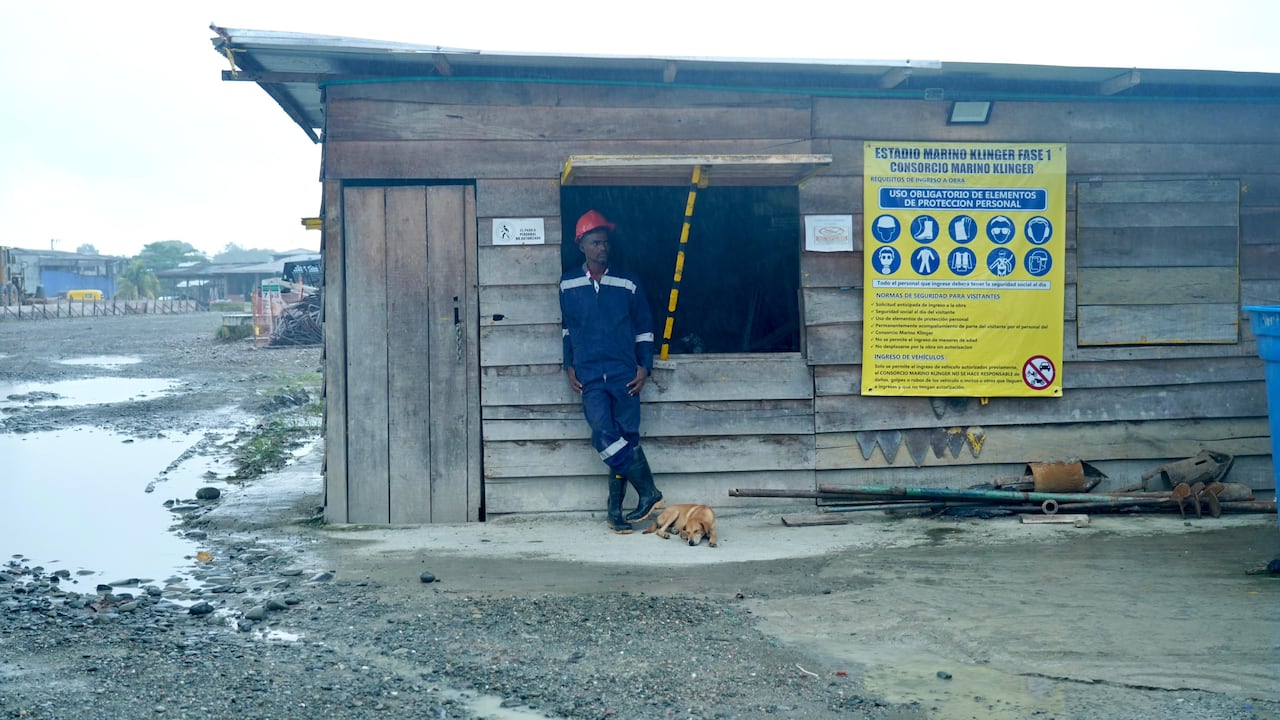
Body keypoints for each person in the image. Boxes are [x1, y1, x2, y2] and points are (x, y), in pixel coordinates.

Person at [559, 209, 664, 534]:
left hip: (624, 374)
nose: (603, 248)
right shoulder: (568, 283)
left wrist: (645, 366)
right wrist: (569, 364)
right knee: (604, 434)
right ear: (582, 246)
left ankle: (615, 512)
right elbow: (567, 328)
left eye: (606, 243)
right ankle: (648, 491)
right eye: (596, 242)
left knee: (626, 437)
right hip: (590, 374)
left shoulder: (628, 282)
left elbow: (645, 328)